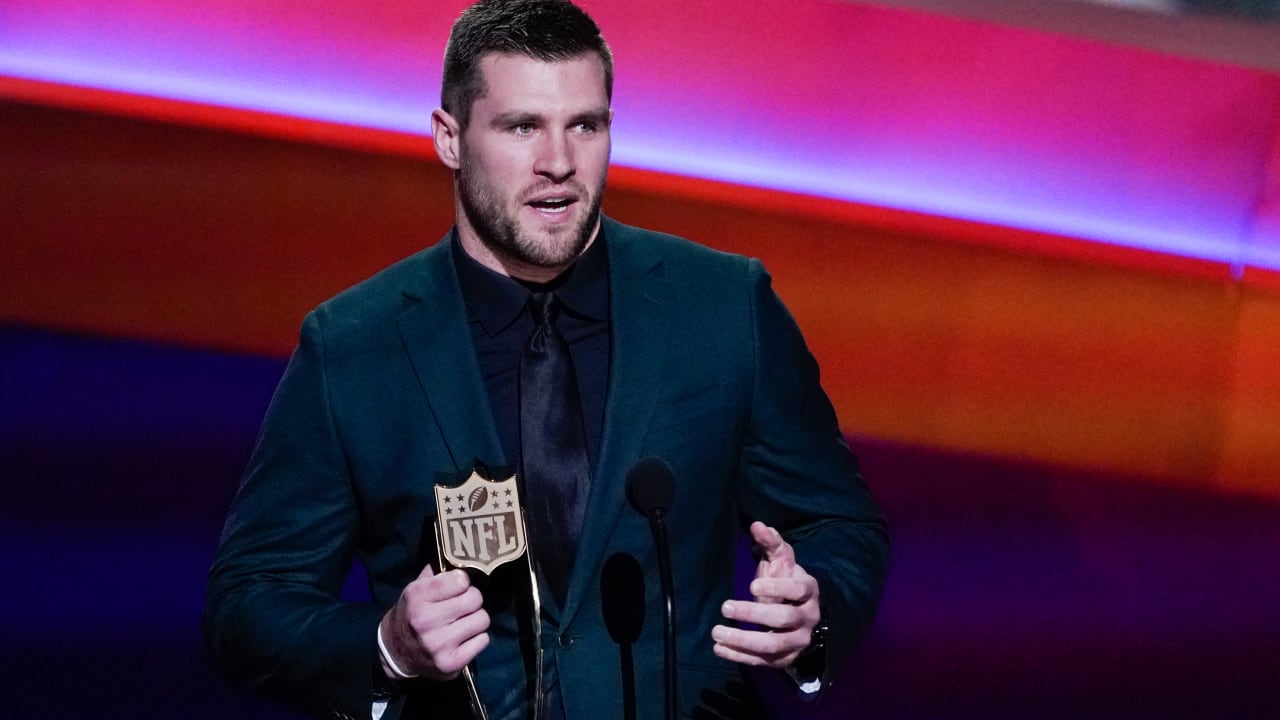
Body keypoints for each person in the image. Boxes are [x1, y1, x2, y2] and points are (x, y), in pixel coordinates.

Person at [203, 1, 889, 719]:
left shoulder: (723, 308)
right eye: (522, 126)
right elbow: (249, 603)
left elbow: (841, 525)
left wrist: (814, 612)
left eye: (585, 125)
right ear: (449, 137)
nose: (559, 162)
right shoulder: (354, 347)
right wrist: (386, 646)